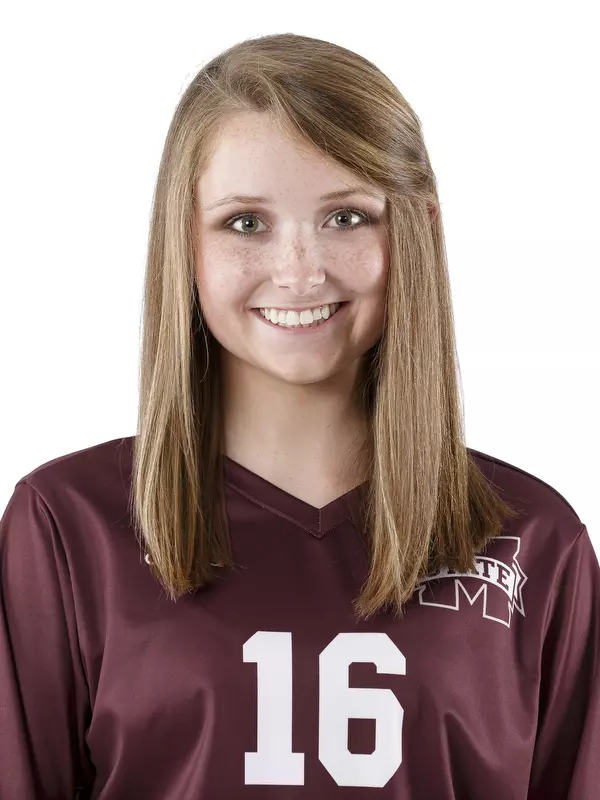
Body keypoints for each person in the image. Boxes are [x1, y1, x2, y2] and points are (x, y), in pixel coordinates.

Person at [1, 32, 598, 800]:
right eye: (246, 222)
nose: (298, 270)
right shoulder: (67, 526)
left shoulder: (532, 539)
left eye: (346, 218)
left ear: (416, 229)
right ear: (183, 241)